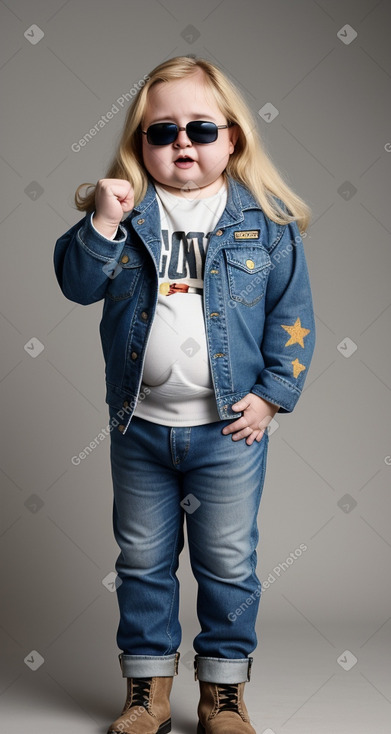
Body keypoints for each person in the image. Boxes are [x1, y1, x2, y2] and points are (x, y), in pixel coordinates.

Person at [54, 55, 316, 734]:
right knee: (141, 559)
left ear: (232, 138)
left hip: (226, 431)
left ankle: (222, 693)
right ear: (138, 143)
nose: (181, 144)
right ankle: (148, 692)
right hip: (139, 427)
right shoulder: (126, 213)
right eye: (160, 131)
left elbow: (294, 315)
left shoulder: (264, 223)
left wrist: (272, 395)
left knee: (228, 562)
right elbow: (78, 284)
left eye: (200, 129)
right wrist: (104, 221)